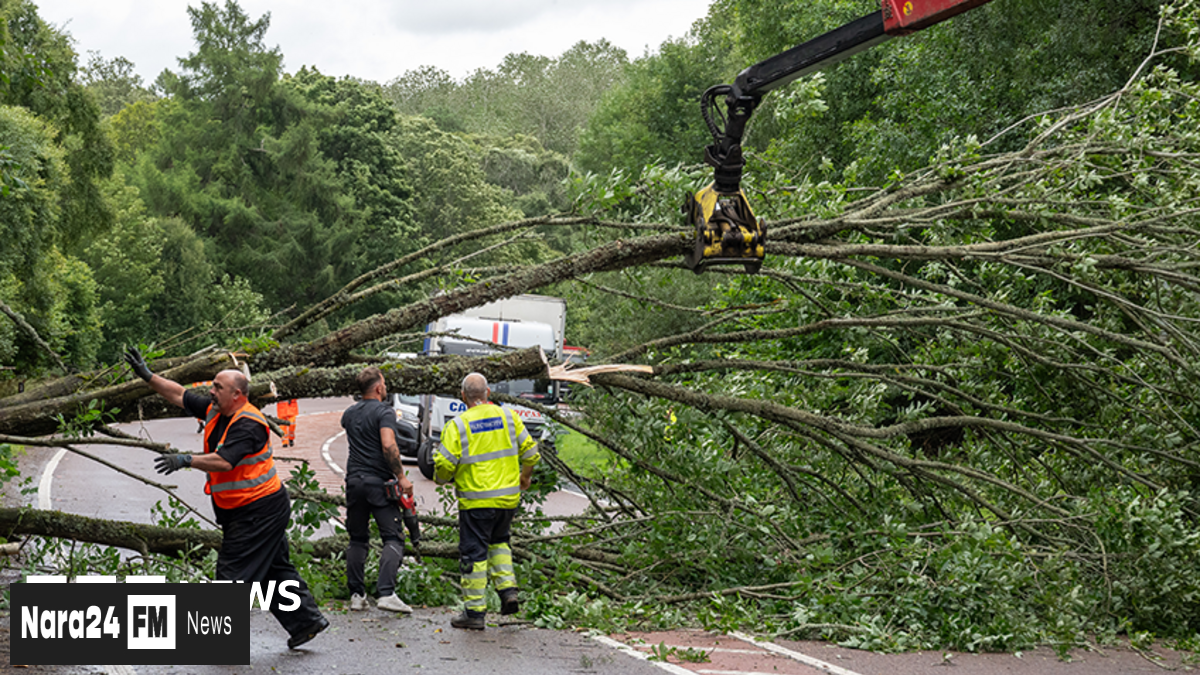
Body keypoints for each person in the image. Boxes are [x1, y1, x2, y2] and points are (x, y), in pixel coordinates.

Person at [123, 347, 329, 650]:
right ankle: (307, 623)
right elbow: (179, 394)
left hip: (259, 511)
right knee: (274, 570)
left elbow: (224, 461)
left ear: (237, 394)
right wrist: (147, 376)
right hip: (246, 509)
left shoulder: (249, 424)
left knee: (233, 572)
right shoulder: (214, 409)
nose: (211, 390)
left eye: (218, 387)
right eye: (212, 385)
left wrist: (185, 460)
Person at [432, 372, 540, 630]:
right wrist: (525, 478)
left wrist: (442, 478)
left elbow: (445, 464)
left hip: (477, 502)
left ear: (463, 397)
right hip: (507, 500)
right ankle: (508, 591)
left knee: (474, 555)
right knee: (500, 543)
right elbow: (532, 453)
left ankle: (474, 613)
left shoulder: (458, 425)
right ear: (488, 393)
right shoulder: (509, 417)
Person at [341, 367, 415, 613]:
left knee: (358, 538)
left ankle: (356, 595)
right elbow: (388, 444)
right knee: (393, 537)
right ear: (379, 388)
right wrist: (401, 476)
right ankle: (386, 593)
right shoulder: (385, 412)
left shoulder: (349, 414)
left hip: (354, 482)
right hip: (378, 484)